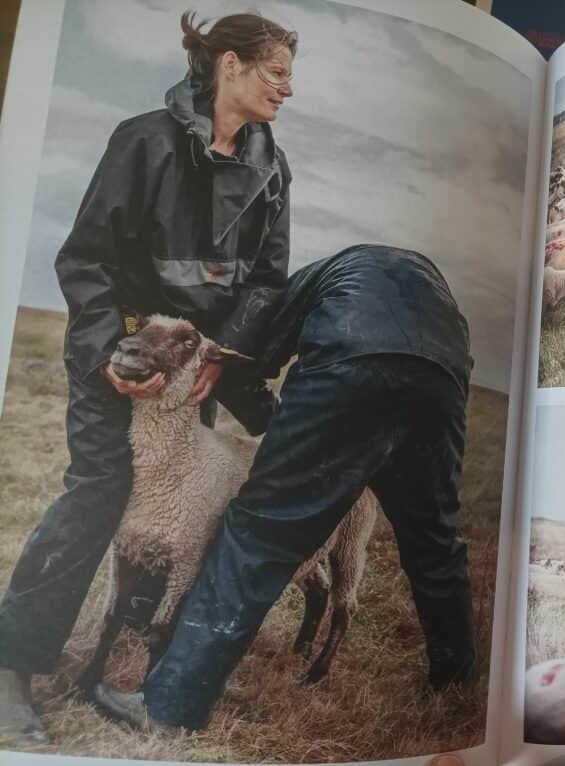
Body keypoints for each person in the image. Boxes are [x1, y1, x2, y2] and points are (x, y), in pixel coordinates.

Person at [0, 11, 297, 744]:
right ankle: (10, 667)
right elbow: (86, 259)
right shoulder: (142, 140)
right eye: (276, 72)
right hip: (122, 358)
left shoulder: (273, 171)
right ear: (229, 64)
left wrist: (224, 355)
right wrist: (110, 351)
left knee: (161, 524)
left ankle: (114, 672)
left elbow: (266, 283)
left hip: (188, 380)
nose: (287, 90)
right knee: (100, 492)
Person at [92, 244, 478, 733]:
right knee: (437, 543)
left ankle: (168, 706)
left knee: (258, 532)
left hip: (348, 364)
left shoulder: (319, 278)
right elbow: (448, 370)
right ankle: (459, 683)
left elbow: (252, 353)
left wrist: (280, 434)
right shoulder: (440, 303)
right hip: (442, 387)